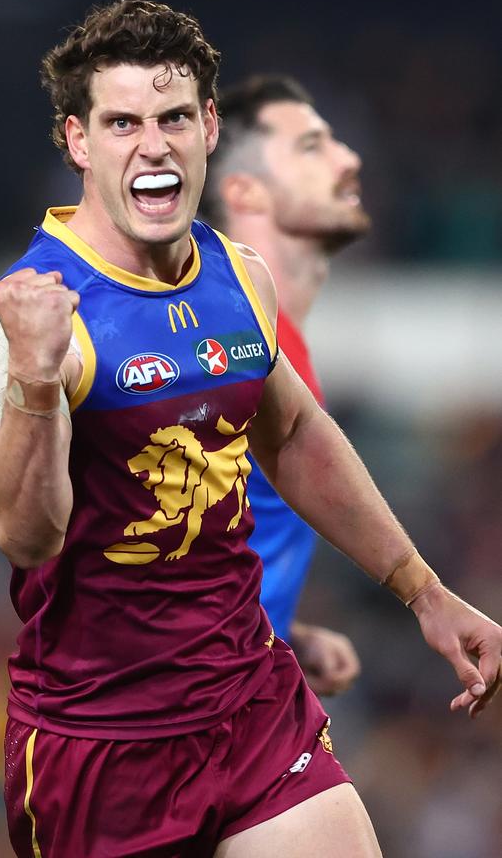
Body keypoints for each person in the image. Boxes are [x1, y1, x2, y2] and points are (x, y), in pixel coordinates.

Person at [0, 0, 501, 858]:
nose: (153, 142)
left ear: (209, 126)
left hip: (248, 705)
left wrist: (426, 593)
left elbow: (293, 436)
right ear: (78, 142)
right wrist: (32, 376)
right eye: (122, 121)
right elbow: (26, 535)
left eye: (173, 117)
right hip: (100, 748)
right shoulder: (27, 319)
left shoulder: (239, 279)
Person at [201, 75, 369, 695]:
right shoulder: (216, 343)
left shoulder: (272, 344)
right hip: (186, 733)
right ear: (245, 191)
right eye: (311, 146)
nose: (349, 159)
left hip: (231, 703)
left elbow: (185, 550)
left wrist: (279, 630)